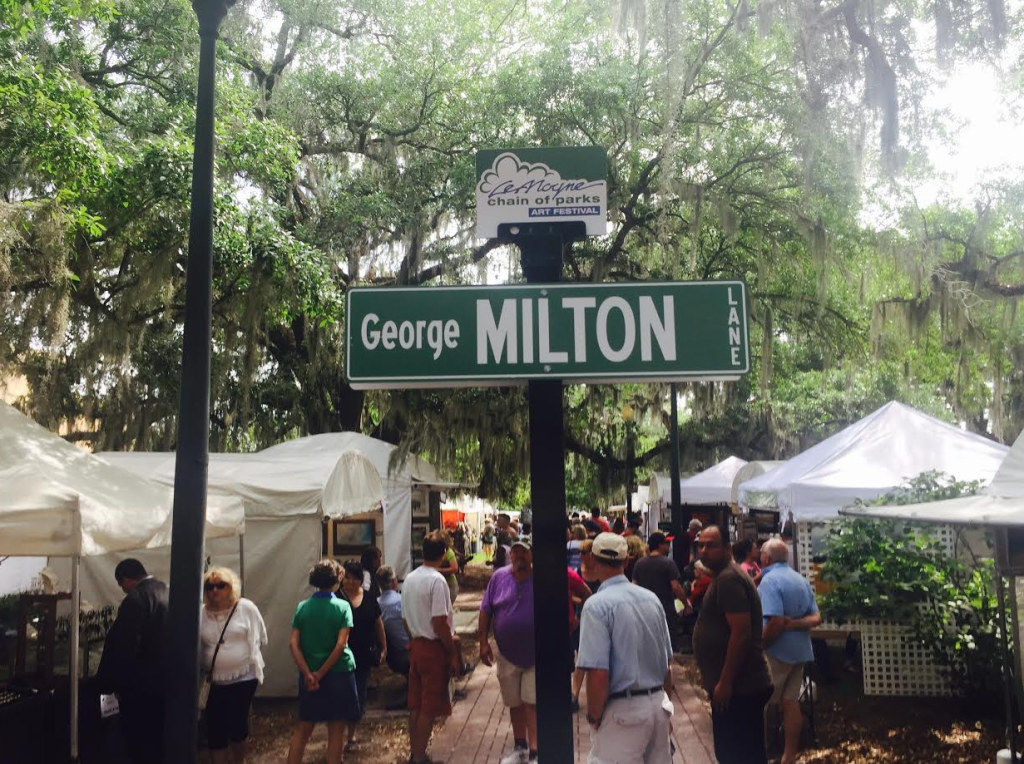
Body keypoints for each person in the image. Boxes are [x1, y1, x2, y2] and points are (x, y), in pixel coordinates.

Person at [577, 533, 674, 763]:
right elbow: (667, 667)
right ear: (626, 561)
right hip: (657, 705)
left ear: (592, 559)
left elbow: (598, 673)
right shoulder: (652, 599)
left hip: (624, 712)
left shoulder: (596, 606)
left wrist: (594, 715)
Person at [693, 526, 773, 764]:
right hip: (736, 688)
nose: (704, 551)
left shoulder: (729, 579)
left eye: (711, 545)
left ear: (727, 548)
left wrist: (725, 682)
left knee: (737, 755)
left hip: (740, 688)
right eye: (701, 545)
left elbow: (741, 632)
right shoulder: (725, 576)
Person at [286, 560, 360, 764]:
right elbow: (340, 645)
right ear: (336, 579)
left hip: (309, 674)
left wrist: (309, 673)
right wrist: (321, 673)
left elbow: (293, 644)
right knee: (336, 728)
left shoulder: (303, 607)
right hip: (339, 672)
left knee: (303, 728)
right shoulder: (343, 606)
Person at [96, 559, 169, 764]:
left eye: (121, 584)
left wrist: (114, 684)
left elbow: (126, 646)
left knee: (139, 739)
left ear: (126, 579)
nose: (123, 589)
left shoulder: (136, 599)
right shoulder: (166, 590)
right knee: (157, 736)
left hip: (139, 685)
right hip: (163, 680)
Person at [760, 538, 821, 764]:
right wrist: (795, 624)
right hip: (801, 650)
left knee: (762, 703)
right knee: (791, 702)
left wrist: (761, 645)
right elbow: (816, 617)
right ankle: (789, 756)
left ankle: (760, 753)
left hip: (777, 651)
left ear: (766, 558)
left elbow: (775, 621)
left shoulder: (769, 581)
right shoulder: (800, 580)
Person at [402, 535, 460, 764]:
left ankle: (415, 750)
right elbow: (439, 621)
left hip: (415, 644)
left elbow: (404, 620)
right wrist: (451, 651)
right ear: (444, 552)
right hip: (433, 647)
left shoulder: (409, 578)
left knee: (415, 703)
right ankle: (418, 756)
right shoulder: (437, 581)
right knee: (428, 705)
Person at [200, 566, 268, 764]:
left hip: (243, 679)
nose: (215, 590)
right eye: (209, 586)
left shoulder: (245, 608)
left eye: (221, 585)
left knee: (236, 726)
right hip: (214, 681)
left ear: (231, 587)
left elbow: (259, 637)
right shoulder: (201, 613)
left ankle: (239, 760)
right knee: (215, 728)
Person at [479, 539, 538, 764]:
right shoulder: (499, 577)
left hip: (535, 652)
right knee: (514, 701)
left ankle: (535, 751)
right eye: (516, 553)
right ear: (510, 556)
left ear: (531, 556)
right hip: (506, 653)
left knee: (531, 701)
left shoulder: (539, 577)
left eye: (524, 553)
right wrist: (483, 642)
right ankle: (520, 746)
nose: (520, 557)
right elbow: (486, 611)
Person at [339, 560, 386, 752]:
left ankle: (351, 733)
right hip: (341, 656)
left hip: (364, 654)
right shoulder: (337, 599)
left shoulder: (368, 598)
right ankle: (339, 735)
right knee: (344, 695)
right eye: (346, 577)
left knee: (359, 693)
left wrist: (384, 646)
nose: (349, 582)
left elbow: (378, 623)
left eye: (353, 578)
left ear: (360, 580)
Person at [632, 531, 689, 651]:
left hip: (644, 610)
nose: (668, 546)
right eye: (666, 543)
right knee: (668, 643)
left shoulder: (639, 563)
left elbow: (634, 586)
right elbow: (675, 587)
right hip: (665, 609)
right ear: (659, 545)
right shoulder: (668, 563)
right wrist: (686, 604)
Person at [375, 565, 410, 678]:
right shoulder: (402, 601)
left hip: (392, 656)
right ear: (394, 581)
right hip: (409, 652)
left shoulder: (375, 604)